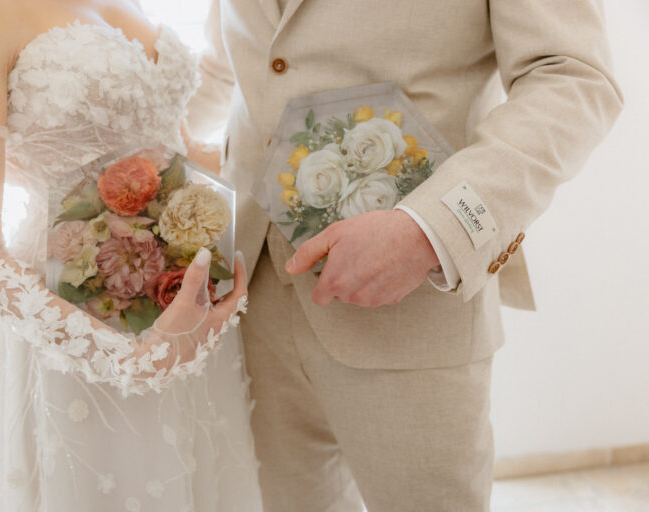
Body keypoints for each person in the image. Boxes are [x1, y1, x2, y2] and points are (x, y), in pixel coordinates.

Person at [185, 0, 624, 511]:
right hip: (245, 291)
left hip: (411, 308)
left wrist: (429, 228)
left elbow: (572, 78)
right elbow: (232, 59)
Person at [0, 0, 262, 510]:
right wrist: (133, 359)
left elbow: (167, 148)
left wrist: (292, 167)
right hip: (76, 339)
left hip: (192, 326)